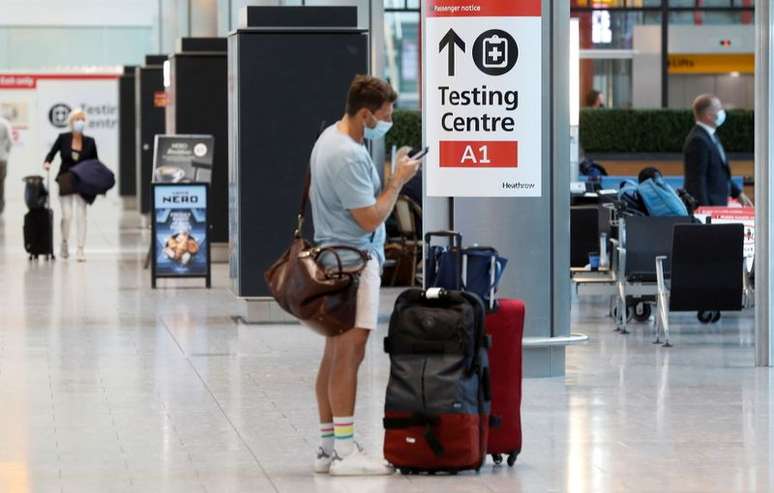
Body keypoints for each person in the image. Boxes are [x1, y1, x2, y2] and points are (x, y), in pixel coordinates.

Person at [309, 75, 420, 476]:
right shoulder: (347, 155)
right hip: (353, 262)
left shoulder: (332, 139)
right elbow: (369, 216)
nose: (387, 121)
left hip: (336, 259)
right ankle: (344, 451)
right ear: (365, 113)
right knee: (349, 355)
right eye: (385, 115)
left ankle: (327, 447)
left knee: (334, 354)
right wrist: (398, 180)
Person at [43, 109, 98, 261]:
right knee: (67, 216)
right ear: (71, 122)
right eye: (76, 119)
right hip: (65, 179)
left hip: (83, 181)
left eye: (82, 119)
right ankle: (64, 242)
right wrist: (47, 162)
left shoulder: (90, 142)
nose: (79, 122)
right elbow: (52, 153)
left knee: (82, 216)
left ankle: (80, 249)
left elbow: (95, 162)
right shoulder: (63, 138)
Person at [683, 94, 752, 207]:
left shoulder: (711, 135)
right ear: (708, 115)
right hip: (709, 208)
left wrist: (737, 192)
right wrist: (704, 212)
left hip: (717, 206)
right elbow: (697, 181)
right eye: (719, 109)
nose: (722, 112)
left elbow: (720, 171)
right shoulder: (698, 140)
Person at [0, 114, 13, 214]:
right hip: (1, 158)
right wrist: (5, 152)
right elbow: (10, 141)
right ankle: (0, 207)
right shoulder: (4, 123)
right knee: (1, 183)